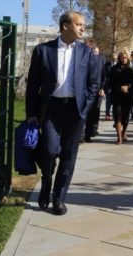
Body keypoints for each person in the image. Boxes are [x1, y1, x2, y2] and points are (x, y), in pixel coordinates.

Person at [25, 11, 98, 216]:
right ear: (65, 26)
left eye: (84, 25)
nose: (83, 28)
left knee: (68, 155)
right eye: (79, 24)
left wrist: (86, 107)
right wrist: (31, 113)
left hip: (75, 110)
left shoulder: (86, 52)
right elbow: (33, 85)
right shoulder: (43, 51)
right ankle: (46, 181)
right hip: (51, 109)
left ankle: (58, 197)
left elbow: (93, 83)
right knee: (49, 150)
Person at [109, 50, 133, 144]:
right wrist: (120, 87)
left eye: (125, 58)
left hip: (128, 96)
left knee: (126, 117)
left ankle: (124, 132)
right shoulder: (114, 68)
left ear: (128, 58)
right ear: (119, 58)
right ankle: (119, 138)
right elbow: (111, 81)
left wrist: (128, 86)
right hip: (117, 95)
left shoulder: (131, 69)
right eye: (122, 58)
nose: (124, 59)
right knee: (117, 116)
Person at [83, 40, 106, 143]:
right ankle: (82, 135)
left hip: (96, 91)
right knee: (83, 113)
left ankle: (88, 133)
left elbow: (104, 76)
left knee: (93, 113)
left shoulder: (100, 59)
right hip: (83, 90)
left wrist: (102, 88)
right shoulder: (81, 58)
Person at [103, 52, 116, 120]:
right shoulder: (107, 64)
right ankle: (107, 113)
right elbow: (105, 75)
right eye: (113, 56)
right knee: (108, 101)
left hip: (116, 86)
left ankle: (115, 114)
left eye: (115, 56)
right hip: (109, 86)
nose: (114, 58)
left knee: (116, 101)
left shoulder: (118, 64)